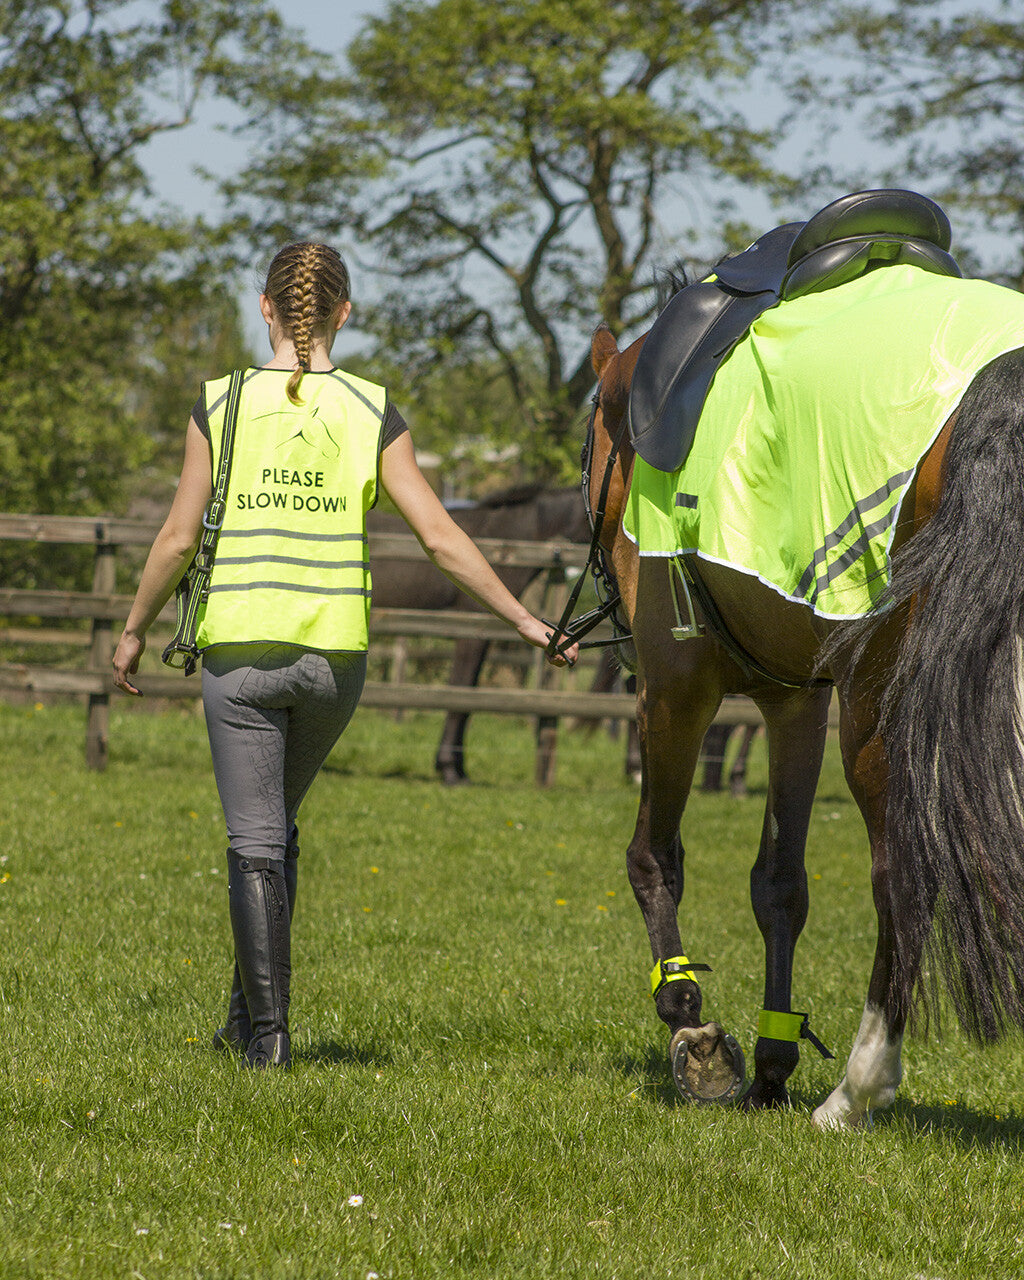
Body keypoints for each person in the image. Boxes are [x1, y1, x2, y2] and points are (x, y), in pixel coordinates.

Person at [112, 242, 578, 1069]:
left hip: (243, 654)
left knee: (254, 840)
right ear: (344, 315)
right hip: (334, 665)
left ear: (263, 308)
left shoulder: (218, 405)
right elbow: (440, 537)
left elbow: (178, 536)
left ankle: (270, 1042)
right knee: (275, 833)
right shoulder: (371, 408)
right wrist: (525, 621)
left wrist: (134, 627)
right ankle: (242, 1021)